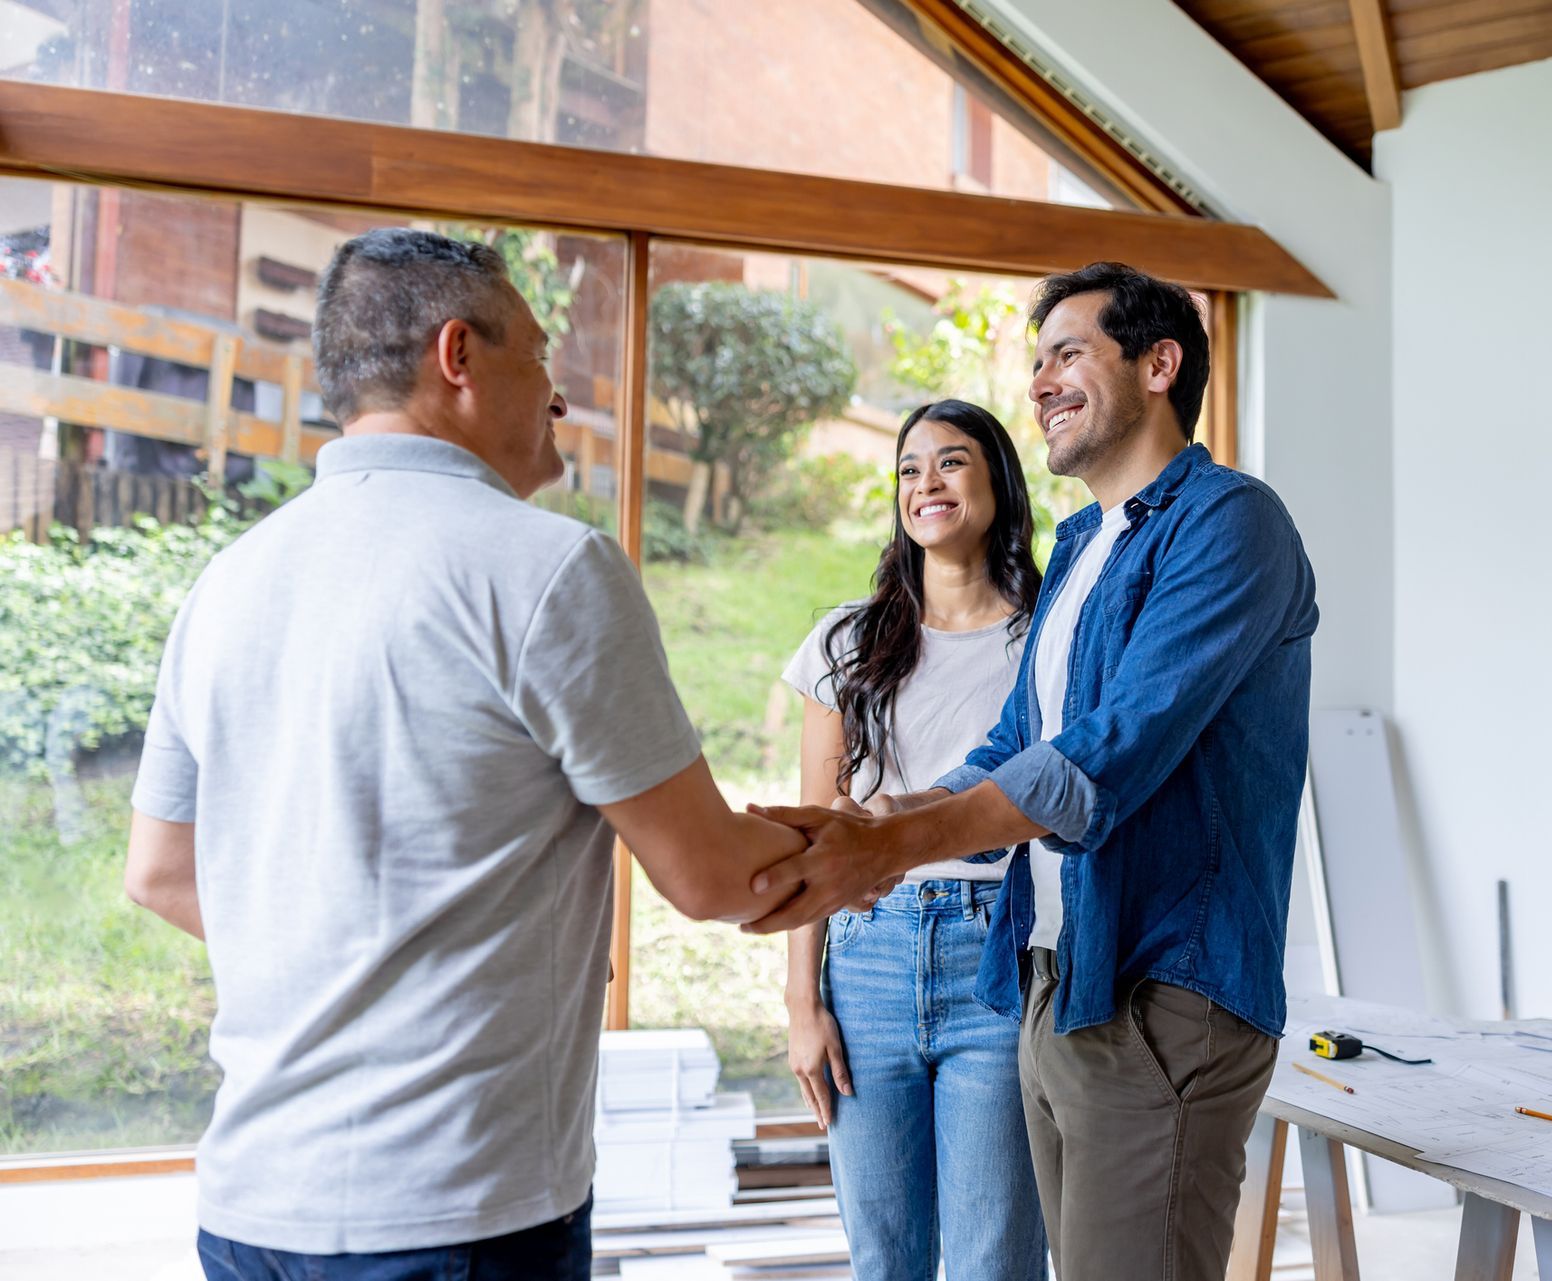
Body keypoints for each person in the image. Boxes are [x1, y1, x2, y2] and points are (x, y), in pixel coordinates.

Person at [122, 228, 842, 1281]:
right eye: (541, 358)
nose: (559, 397)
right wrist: (908, 837)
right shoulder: (547, 568)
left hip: (250, 1209)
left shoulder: (227, 581)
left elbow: (159, 872)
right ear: (457, 355)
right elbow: (714, 876)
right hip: (454, 1213)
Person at [745, 262, 1319, 1281]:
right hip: (1060, 974)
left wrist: (897, 841)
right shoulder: (1087, 545)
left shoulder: (1230, 523)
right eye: (1036, 361)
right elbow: (1013, 740)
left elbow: (1110, 753)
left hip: (1165, 985)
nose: (1041, 381)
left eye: (1067, 353)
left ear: (1158, 364)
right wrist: (889, 817)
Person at [781, 399, 1048, 1281]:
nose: (925, 483)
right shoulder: (845, 641)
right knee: (885, 1259)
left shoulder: (1044, 640)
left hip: (998, 961)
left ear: (999, 485)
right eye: (909, 468)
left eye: (952, 462)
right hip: (865, 962)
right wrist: (800, 1002)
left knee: (994, 1259)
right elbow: (814, 836)